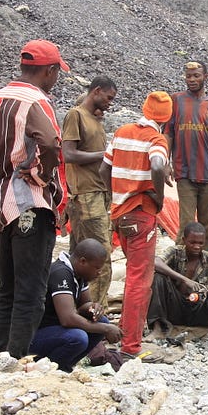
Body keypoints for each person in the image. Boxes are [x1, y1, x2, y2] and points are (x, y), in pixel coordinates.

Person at [0, 39, 66, 359]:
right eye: (57, 73)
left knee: (7, 291)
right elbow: (53, 145)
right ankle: (15, 359)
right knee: (31, 292)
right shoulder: (35, 101)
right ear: (49, 70)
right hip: (30, 204)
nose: (57, 78)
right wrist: (41, 176)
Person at [101, 91, 170, 360]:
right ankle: (131, 346)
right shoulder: (157, 138)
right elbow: (156, 164)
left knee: (134, 275)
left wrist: (116, 198)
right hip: (141, 213)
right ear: (167, 118)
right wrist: (160, 196)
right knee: (139, 280)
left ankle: (127, 332)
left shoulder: (122, 131)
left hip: (120, 214)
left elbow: (103, 170)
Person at [150, 222, 208, 366]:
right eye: (192, 242)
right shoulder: (175, 252)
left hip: (200, 310)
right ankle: (157, 329)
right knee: (158, 277)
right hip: (175, 309)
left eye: (200, 243)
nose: (196, 246)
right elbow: (155, 262)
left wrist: (204, 292)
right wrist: (184, 280)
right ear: (184, 240)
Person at [62, 76, 117, 310]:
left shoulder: (94, 120)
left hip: (97, 193)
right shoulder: (76, 115)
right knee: (99, 259)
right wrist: (105, 155)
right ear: (96, 91)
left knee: (77, 258)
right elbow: (69, 154)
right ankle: (96, 313)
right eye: (108, 98)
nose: (110, 103)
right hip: (86, 196)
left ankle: (73, 309)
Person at [165, 61, 208, 252]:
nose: (192, 80)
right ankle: (180, 261)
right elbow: (168, 133)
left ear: (205, 77)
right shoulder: (175, 100)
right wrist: (166, 163)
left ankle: (207, 263)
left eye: (196, 76)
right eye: (188, 76)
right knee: (185, 222)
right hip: (184, 172)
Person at [29, 239, 122, 372]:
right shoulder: (61, 273)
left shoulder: (79, 274)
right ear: (83, 261)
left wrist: (93, 308)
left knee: (101, 321)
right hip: (35, 334)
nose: (99, 273)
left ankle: (65, 365)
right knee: (78, 337)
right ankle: (47, 367)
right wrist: (106, 329)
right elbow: (67, 319)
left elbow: (84, 305)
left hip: (53, 329)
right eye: (96, 268)